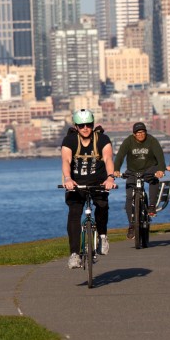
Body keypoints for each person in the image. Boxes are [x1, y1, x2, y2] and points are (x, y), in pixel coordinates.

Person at [61, 109, 117, 269]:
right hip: (75, 183)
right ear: (76, 127)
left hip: (98, 182)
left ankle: (103, 236)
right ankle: (74, 254)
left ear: (93, 124)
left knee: (102, 206)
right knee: (74, 214)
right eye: (81, 125)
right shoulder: (69, 140)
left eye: (88, 125)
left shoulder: (102, 139)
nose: (85, 128)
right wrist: (67, 179)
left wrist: (110, 177)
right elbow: (66, 160)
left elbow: (108, 158)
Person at [113, 122, 165, 240]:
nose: (140, 134)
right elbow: (120, 155)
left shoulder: (152, 140)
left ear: (146, 132)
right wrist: (116, 169)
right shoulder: (128, 141)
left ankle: (151, 205)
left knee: (154, 179)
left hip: (149, 168)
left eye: (142, 132)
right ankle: (131, 225)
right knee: (129, 198)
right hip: (133, 171)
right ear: (134, 134)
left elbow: (160, 156)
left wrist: (161, 169)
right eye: (138, 133)